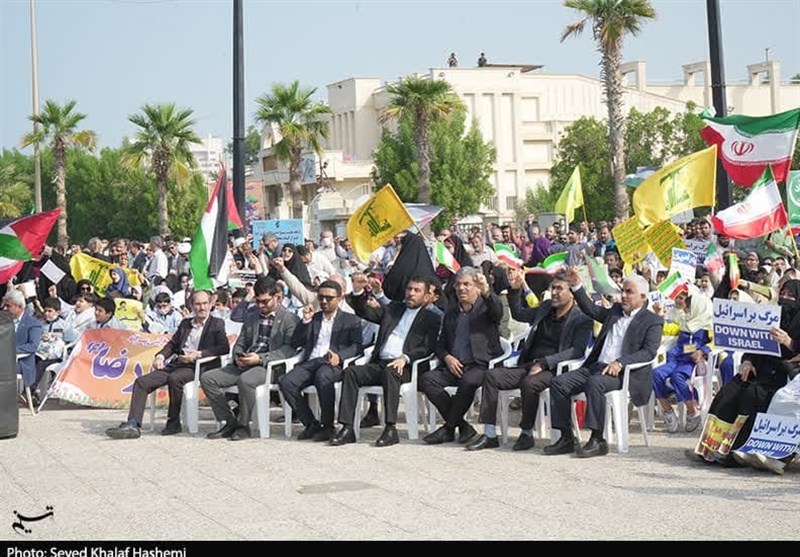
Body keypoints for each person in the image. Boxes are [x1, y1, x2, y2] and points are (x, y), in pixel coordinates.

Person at [465, 269, 593, 451]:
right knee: (492, 376)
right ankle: (490, 433)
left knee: (530, 383)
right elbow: (518, 314)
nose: (554, 292)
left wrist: (545, 363)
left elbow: (577, 351)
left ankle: (526, 433)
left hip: (554, 370)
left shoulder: (581, 318)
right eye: (553, 288)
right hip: (529, 364)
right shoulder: (546, 307)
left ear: (571, 292)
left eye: (559, 289)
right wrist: (515, 290)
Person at [543, 270, 663, 458]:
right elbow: (591, 309)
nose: (623, 295)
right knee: (559, 383)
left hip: (622, 375)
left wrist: (621, 363)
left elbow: (648, 352)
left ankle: (598, 439)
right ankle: (566, 438)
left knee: (595, 383)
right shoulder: (615, 312)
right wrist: (576, 286)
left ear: (642, 297)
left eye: (629, 292)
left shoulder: (652, 320)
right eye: (623, 290)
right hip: (597, 367)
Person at [693, 279, 800, 467]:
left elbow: (795, 351)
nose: (785, 298)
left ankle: (740, 448)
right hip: (761, 369)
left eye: (791, 296)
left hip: (786, 375)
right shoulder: (771, 316)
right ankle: (712, 447)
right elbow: (755, 344)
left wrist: (789, 342)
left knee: (753, 395)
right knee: (730, 391)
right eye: (782, 294)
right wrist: (748, 361)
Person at [331, 273, 441, 447]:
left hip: (407, 368)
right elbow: (366, 312)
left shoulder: (431, 318)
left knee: (391, 372)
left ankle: (390, 428)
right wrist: (359, 291)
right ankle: (347, 427)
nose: (411, 293)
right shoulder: (394, 309)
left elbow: (428, 347)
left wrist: (405, 358)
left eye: (417, 290)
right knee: (351, 372)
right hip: (380, 363)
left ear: (427, 296)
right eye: (409, 289)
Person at [105, 290, 230, 439]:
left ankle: (173, 422)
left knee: (175, 378)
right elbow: (172, 344)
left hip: (200, 366)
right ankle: (133, 424)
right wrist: (160, 356)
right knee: (141, 382)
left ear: (210, 304)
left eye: (204, 304)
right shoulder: (185, 324)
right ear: (191, 305)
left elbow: (223, 347)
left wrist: (198, 354)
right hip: (179, 363)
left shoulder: (216, 324)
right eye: (197, 304)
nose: (201, 308)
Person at [201, 277, 300, 440]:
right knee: (208, 378)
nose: (261, 305)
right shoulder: (252, 317)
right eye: (258, 301)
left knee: (246, 380)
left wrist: (260, 359)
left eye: (265, 301)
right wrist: (238, 356)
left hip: (270, 367)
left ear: (278, 297)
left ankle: (243, 426)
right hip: (245, 362)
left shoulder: (290, 319)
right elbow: (241, 342)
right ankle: (230, 421)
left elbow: (288, 350)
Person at [421, 266, 504, 445]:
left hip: (480, 364)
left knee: (468, 381)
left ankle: (449, 428)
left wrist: (487, 291)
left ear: (476, 286)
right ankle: (463, 426)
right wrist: (447, 358)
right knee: (427, 379)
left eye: (467, 284)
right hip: (455, 365)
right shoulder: (451, 312)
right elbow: (440, 344)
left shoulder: (486, 306)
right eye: (458, 284)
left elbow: (498, 311)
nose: (461, 288)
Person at [277, 280, 363, 442]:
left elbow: (358, 347)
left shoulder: (351, 320)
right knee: (286, 382)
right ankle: (311, 424)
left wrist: (340, 357)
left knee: (323, 375)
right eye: (321, 297)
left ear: (339, 298)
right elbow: (296, 343)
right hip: (311, 362)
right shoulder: (313, 318)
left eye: (329, 298)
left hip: (332, 364)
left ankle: (328, 426)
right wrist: (305, 322)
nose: (324, 301)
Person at [652, 284, 713, 434]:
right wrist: (659, 315)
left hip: (692, 361)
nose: (687, 306)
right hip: (677, 356)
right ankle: (668, 411)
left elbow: (716, 342)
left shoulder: (708, 324)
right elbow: (669, 329)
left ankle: (693, 411)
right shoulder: (685, 320)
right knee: (656, 374)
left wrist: (702, 351)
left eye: (691, 304)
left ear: (699, 306)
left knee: (676, 377)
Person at [2, 289, 43, 397]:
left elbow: (33, 346)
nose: (5, 309)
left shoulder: (33, 324)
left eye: (8, 306)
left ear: (19, 307)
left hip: (22, 362)